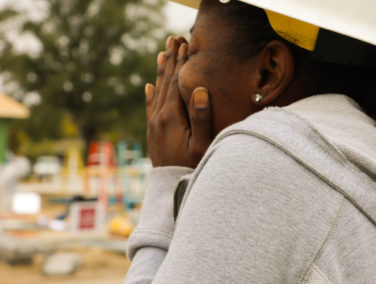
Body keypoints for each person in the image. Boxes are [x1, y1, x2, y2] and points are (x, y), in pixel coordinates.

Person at [125, 0, 376, 282]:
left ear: (268, 72)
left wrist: (167, 178)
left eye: (192, 51)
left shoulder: (265, 159)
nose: (177, 72)